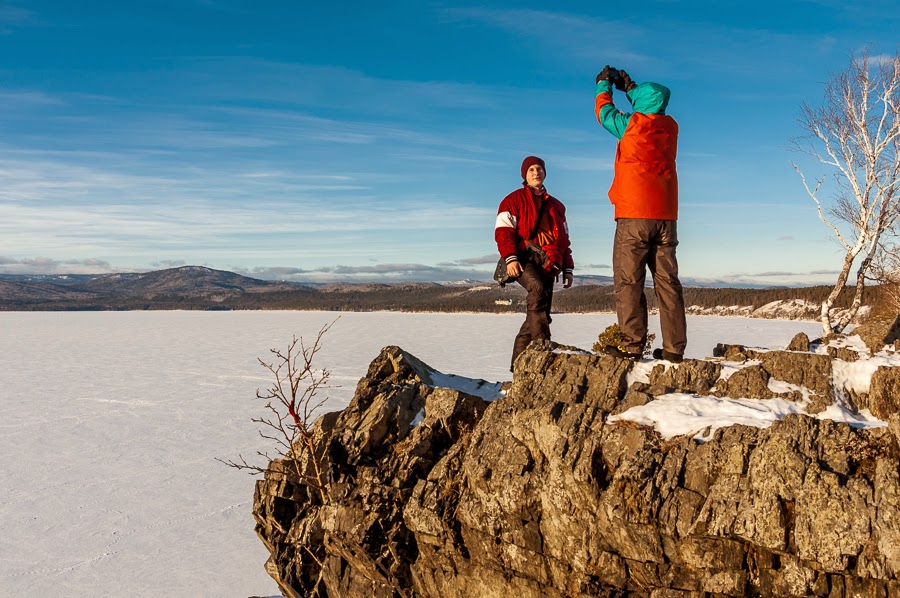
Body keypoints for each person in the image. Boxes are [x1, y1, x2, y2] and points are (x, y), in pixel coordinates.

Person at [594, 66, 687, 363]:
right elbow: (651, 101)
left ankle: (631, 346)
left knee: (628, 281)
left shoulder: (632, 126)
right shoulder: (670, 129)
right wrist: (631, 86)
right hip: (666, 217)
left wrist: (602, 86)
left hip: (635, 214)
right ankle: (674, 349)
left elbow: (604, 114)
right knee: (667, 283)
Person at [495, 156, 574, 372]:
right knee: (536, 288)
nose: (536, 172)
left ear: (545, 173)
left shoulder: (557, 206)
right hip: (523, 259)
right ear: (524, 175)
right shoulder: (512, 200)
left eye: (539, 168)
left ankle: (516, 369)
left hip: (549, 263)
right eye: (531, 169)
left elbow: (564, 240)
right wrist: (510, 258)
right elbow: (503, 233)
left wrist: (568, 267)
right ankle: (543, 346)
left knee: (537, 315)